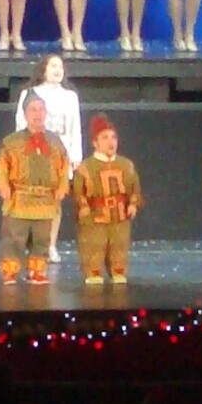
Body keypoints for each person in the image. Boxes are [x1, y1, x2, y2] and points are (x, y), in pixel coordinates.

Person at [0, 90, 72, 284]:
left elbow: (64, 166)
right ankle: (10, 272)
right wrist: (4, 187)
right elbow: (1, 166)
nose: (37, 114)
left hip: (46, 200)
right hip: (19, 199)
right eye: (33, 110)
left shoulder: (55, 142)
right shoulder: (11, 142)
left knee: (41, 241)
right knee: (14, 240)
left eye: (41, 109)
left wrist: (63, 186)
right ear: (25, 114)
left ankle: (37, 271)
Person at [14, 53, 82, 263]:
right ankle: (32, 243)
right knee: (32, 198)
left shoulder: (70, 96)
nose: (57, 70)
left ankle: (50, 245)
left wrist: (76, 155)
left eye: (60, 66)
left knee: (55, 201)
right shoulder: (29, 93)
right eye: (53, 66)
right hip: (34, 153)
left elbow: (74, 127)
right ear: (43, 69)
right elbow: (20, 124)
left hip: (60, 155)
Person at [72, 114, 143, 285]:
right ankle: (93, 271)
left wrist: (133, 204)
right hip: (95, 216)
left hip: (119, 215)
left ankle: (118, 270)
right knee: (94, 244)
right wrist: (82, 206)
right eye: (104, 138)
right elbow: (78, 191)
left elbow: (134, 187)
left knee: (119, 244)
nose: (111, 142)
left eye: (113, 137)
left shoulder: (126, 165)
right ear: (95, 143)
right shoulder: (85, 167)